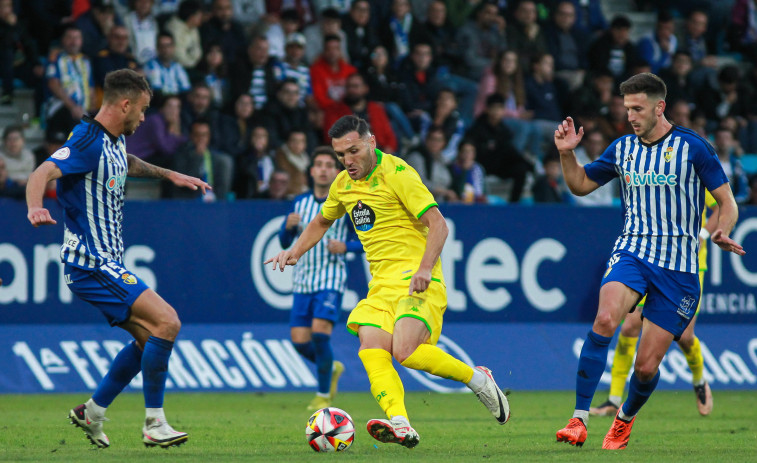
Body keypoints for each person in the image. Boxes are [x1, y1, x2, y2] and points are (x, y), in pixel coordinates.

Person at [265, 115, 510, 449]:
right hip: (381, 286)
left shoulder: (398, 174)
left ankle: (478, 379)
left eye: (353, 151)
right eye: (341, 155)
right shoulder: (342, 185)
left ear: (371, 143)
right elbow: (322, 221)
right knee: (371, 348)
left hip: (417, 279)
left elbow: (438, 225)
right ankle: (400, 422)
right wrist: (295, 251)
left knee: (406, 351)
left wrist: (425, 268)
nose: (347, 161)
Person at [554, 72, 745, 450]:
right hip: (633, 252)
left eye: (638, 108)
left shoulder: (694, 148)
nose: (631, 116)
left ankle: (624, 419)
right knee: (607, 319)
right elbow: (580, 185)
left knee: (645, 367)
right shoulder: (623, 148)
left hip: (679, 269)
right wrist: (566, 153)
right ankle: (579, 418)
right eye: (627, 109)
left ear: (660, 107)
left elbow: (728, 203)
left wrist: (721, 230)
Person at [25, 69, 210, 448]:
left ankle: (90, 412)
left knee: (150, 341)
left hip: (109, 263)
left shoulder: (110, 144)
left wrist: (171, 174)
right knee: (168, 321)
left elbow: (127, 163)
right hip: (90, 263)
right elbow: (42, 171)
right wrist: (34, 206)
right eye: (142, 110)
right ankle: (154, 424)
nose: (144, 118)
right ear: (124, 104)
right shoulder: (86, 141)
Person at [591, 190, 720, 418]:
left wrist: (702, 234)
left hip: (688, 264)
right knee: (630, 325)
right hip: (651, 259)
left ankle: (699, 379)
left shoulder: (696, 167)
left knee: (685, 337)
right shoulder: (657, 168)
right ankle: (613, 399)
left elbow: (721, 204)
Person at [278, 146, 362, 411]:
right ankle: (332, 367)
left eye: (329, 164)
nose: (324, 169)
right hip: (303, 280)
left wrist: (346, 247)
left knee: (320, 335)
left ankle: (323, 394)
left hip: (331, 278)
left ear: (335, 172)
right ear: (312, 171)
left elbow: (364, 239)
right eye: (320, 164)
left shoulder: (346, 202)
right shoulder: (299, 203)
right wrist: (287, 227)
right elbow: (284, 241)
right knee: (299, 342)